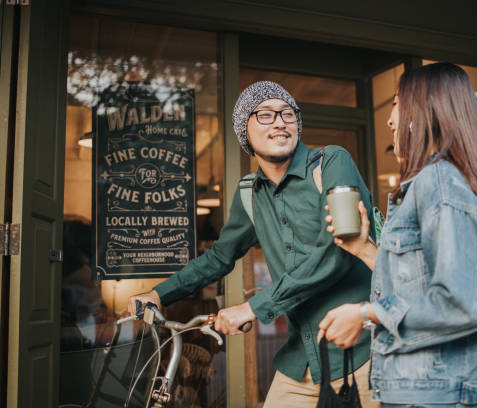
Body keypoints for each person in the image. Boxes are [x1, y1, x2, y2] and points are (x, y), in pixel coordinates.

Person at [129, 81, 378, 407]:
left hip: (361, 354)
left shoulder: (330, 162)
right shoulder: (249, 192)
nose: (279, 122)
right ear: (243, 131)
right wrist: (159, 294)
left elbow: (337, 252)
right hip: (300, 360)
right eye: (265, 114)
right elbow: (220, 256)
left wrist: (253, 308)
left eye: (288, 114)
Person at [318, 63, 477, 407]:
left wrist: (363, 314)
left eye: (397, 103)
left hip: (433, 395)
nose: (390, 120)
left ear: (422, 113)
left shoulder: (438, 183)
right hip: (419, 391)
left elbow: (464, 302)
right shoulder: (432, 184)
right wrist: (364, 248)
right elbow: (419, 286)